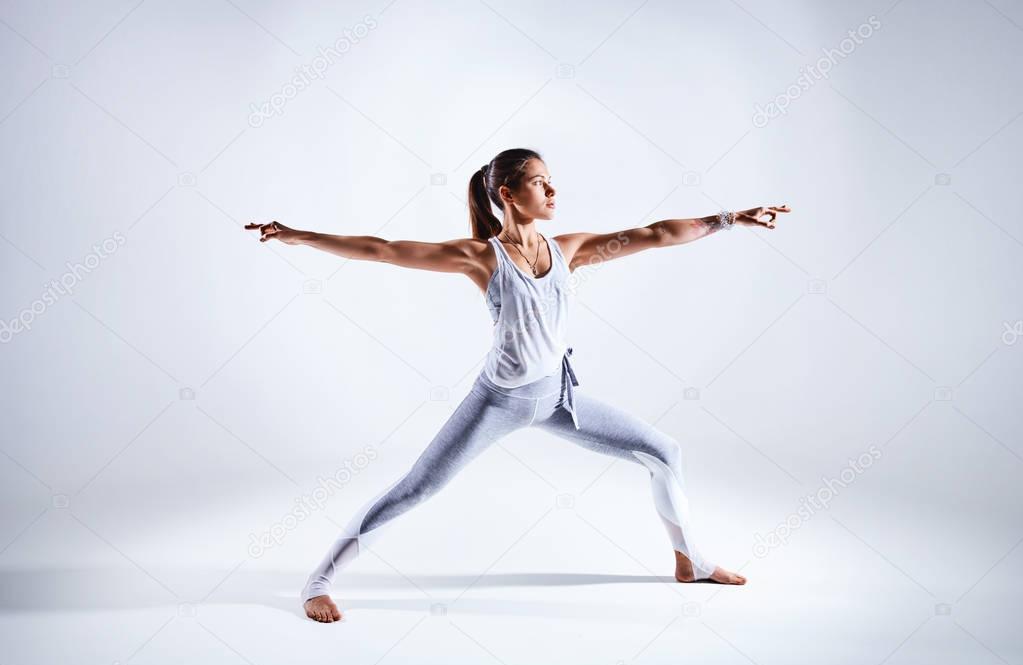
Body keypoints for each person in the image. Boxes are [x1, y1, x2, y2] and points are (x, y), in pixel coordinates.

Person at [245, 148, 790, 623]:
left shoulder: (569, 249)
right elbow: (383, 249)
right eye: (539, 181)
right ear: (507, 194)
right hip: (498, 403)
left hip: (559, 399)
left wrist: (728, 218)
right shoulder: (482, 256)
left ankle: (689, 562)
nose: (553, 189)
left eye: (552, 180)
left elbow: (654, 236)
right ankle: (318, 582)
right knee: (417, 489)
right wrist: (298, 236)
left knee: (664, 452)